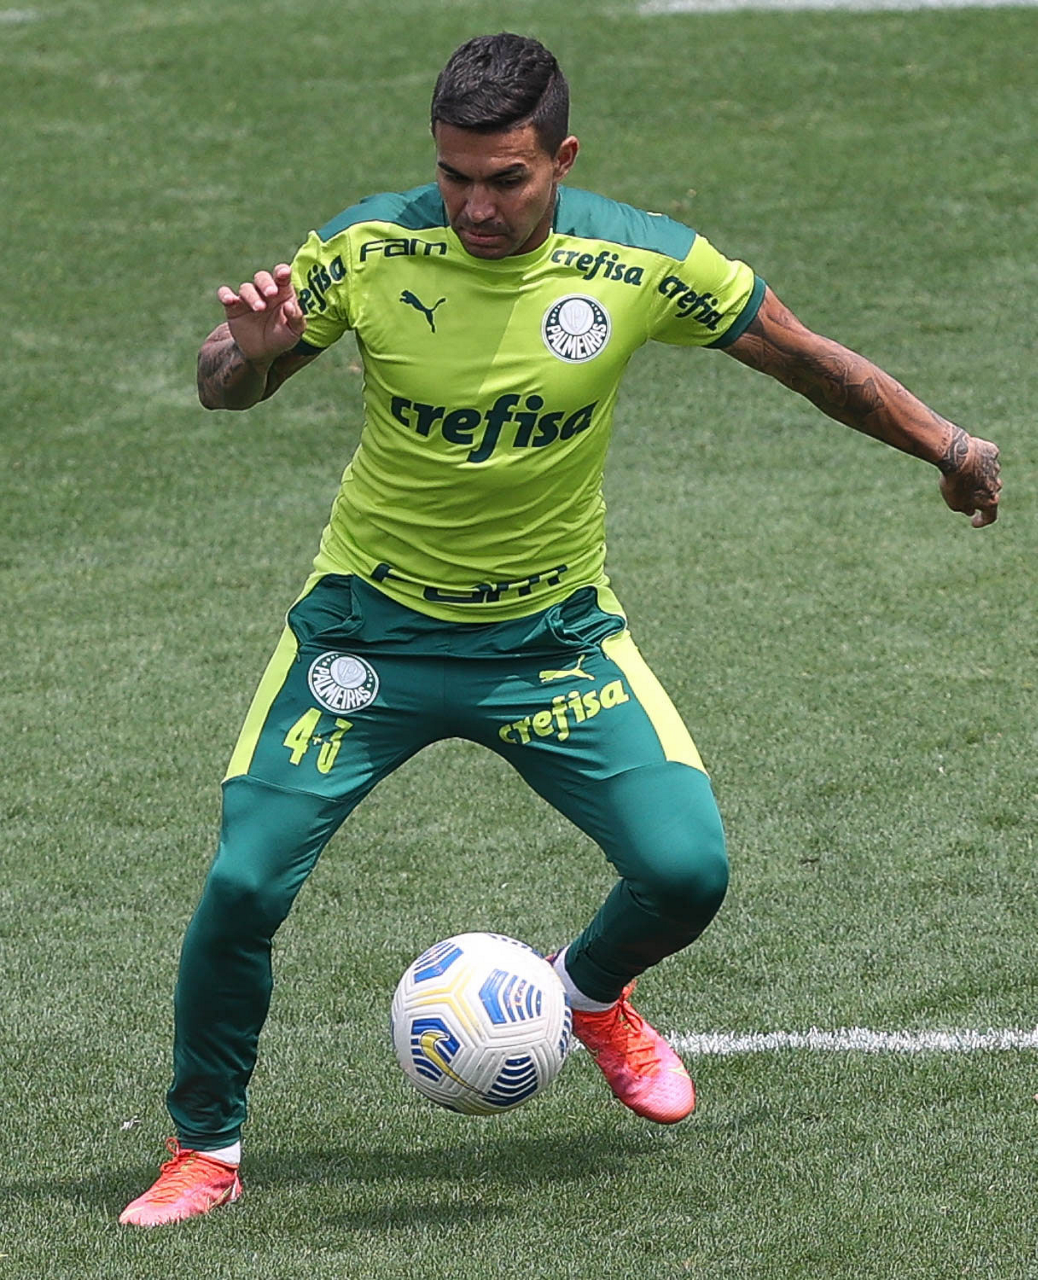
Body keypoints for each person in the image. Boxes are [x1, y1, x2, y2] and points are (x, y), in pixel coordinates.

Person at [119, 32, 1001, 1227]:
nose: (475, 207)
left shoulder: (639, 260)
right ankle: (204, 1148)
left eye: (506, 179)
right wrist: (256, 358)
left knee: (686, 870)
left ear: (563, 159)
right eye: (454, 175)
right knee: (241, 882)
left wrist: (946, 446)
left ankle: (588, 992)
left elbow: (804, 360)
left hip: (551, 643)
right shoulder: (368, 248)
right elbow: (222, 377)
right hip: (365, 637)